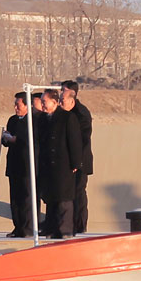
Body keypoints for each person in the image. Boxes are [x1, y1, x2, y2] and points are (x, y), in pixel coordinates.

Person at [33, 90, 75, 238]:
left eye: (45, 102)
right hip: (47, 165)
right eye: (42, 102)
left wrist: (75, 163)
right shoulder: (43, 119)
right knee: (50, 199)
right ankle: (51, 229)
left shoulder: (67, 117)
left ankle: (65, 230)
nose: (43, 105)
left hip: (63, 164)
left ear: (55, 102)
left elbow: (74, 141)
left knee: (63, 199)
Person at [60, 82, 94, 233]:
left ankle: (80, 227)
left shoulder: (81, 113)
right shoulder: (64, 113)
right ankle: (70, 224)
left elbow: (82, 139)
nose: (61, 95)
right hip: (69, 161)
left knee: (79, 194)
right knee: (69, 194)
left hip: (80, 161)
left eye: (63, 92)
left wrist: (76, 161)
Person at [0, 92, 33, 237]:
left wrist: (16, 139)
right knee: (14, 198)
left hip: (26, 164)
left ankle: (27, 227)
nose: (15, 108)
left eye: (18, 105)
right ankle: (17, 227)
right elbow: (6, 140)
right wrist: (6, 138)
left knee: (26, 197)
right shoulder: (12, 120)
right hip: (14, 163)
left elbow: (29, 140)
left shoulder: (32, 121)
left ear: (27, 106)